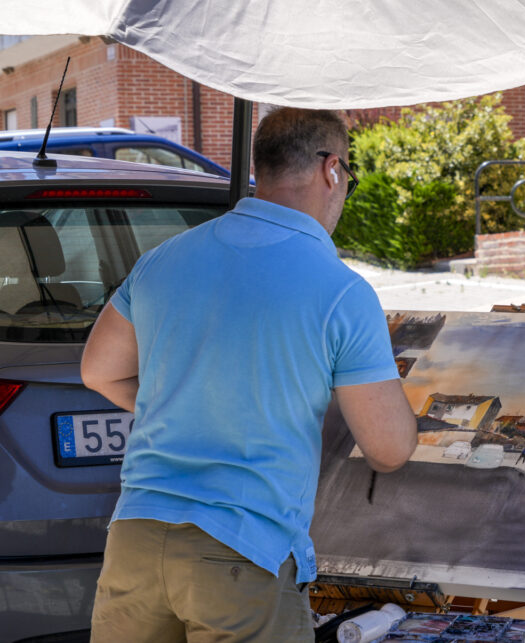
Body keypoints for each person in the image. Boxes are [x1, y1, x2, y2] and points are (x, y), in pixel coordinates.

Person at [81, 108, 418, 642]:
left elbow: (99, 372)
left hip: (136, 539)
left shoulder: (163, 259)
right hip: (243, 550)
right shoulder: (340, 290)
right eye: (348, 177)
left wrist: (193, 404)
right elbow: (389, 448)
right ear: (331, 169)